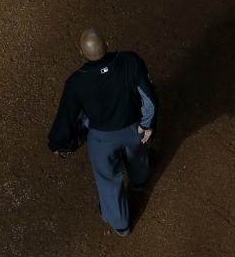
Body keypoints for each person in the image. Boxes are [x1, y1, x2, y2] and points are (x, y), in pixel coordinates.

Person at [48, 29, 158, 236]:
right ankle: (140, 182)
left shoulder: (76, 82)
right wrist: (147, 125)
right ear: (107, 43)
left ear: (81, 53)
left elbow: (67, 118)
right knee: (139, 153)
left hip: (102, 139)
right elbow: (148, 98)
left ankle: (121, 225)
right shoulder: (130, 61)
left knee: (108, 180)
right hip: (133, 129)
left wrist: (57, 143)